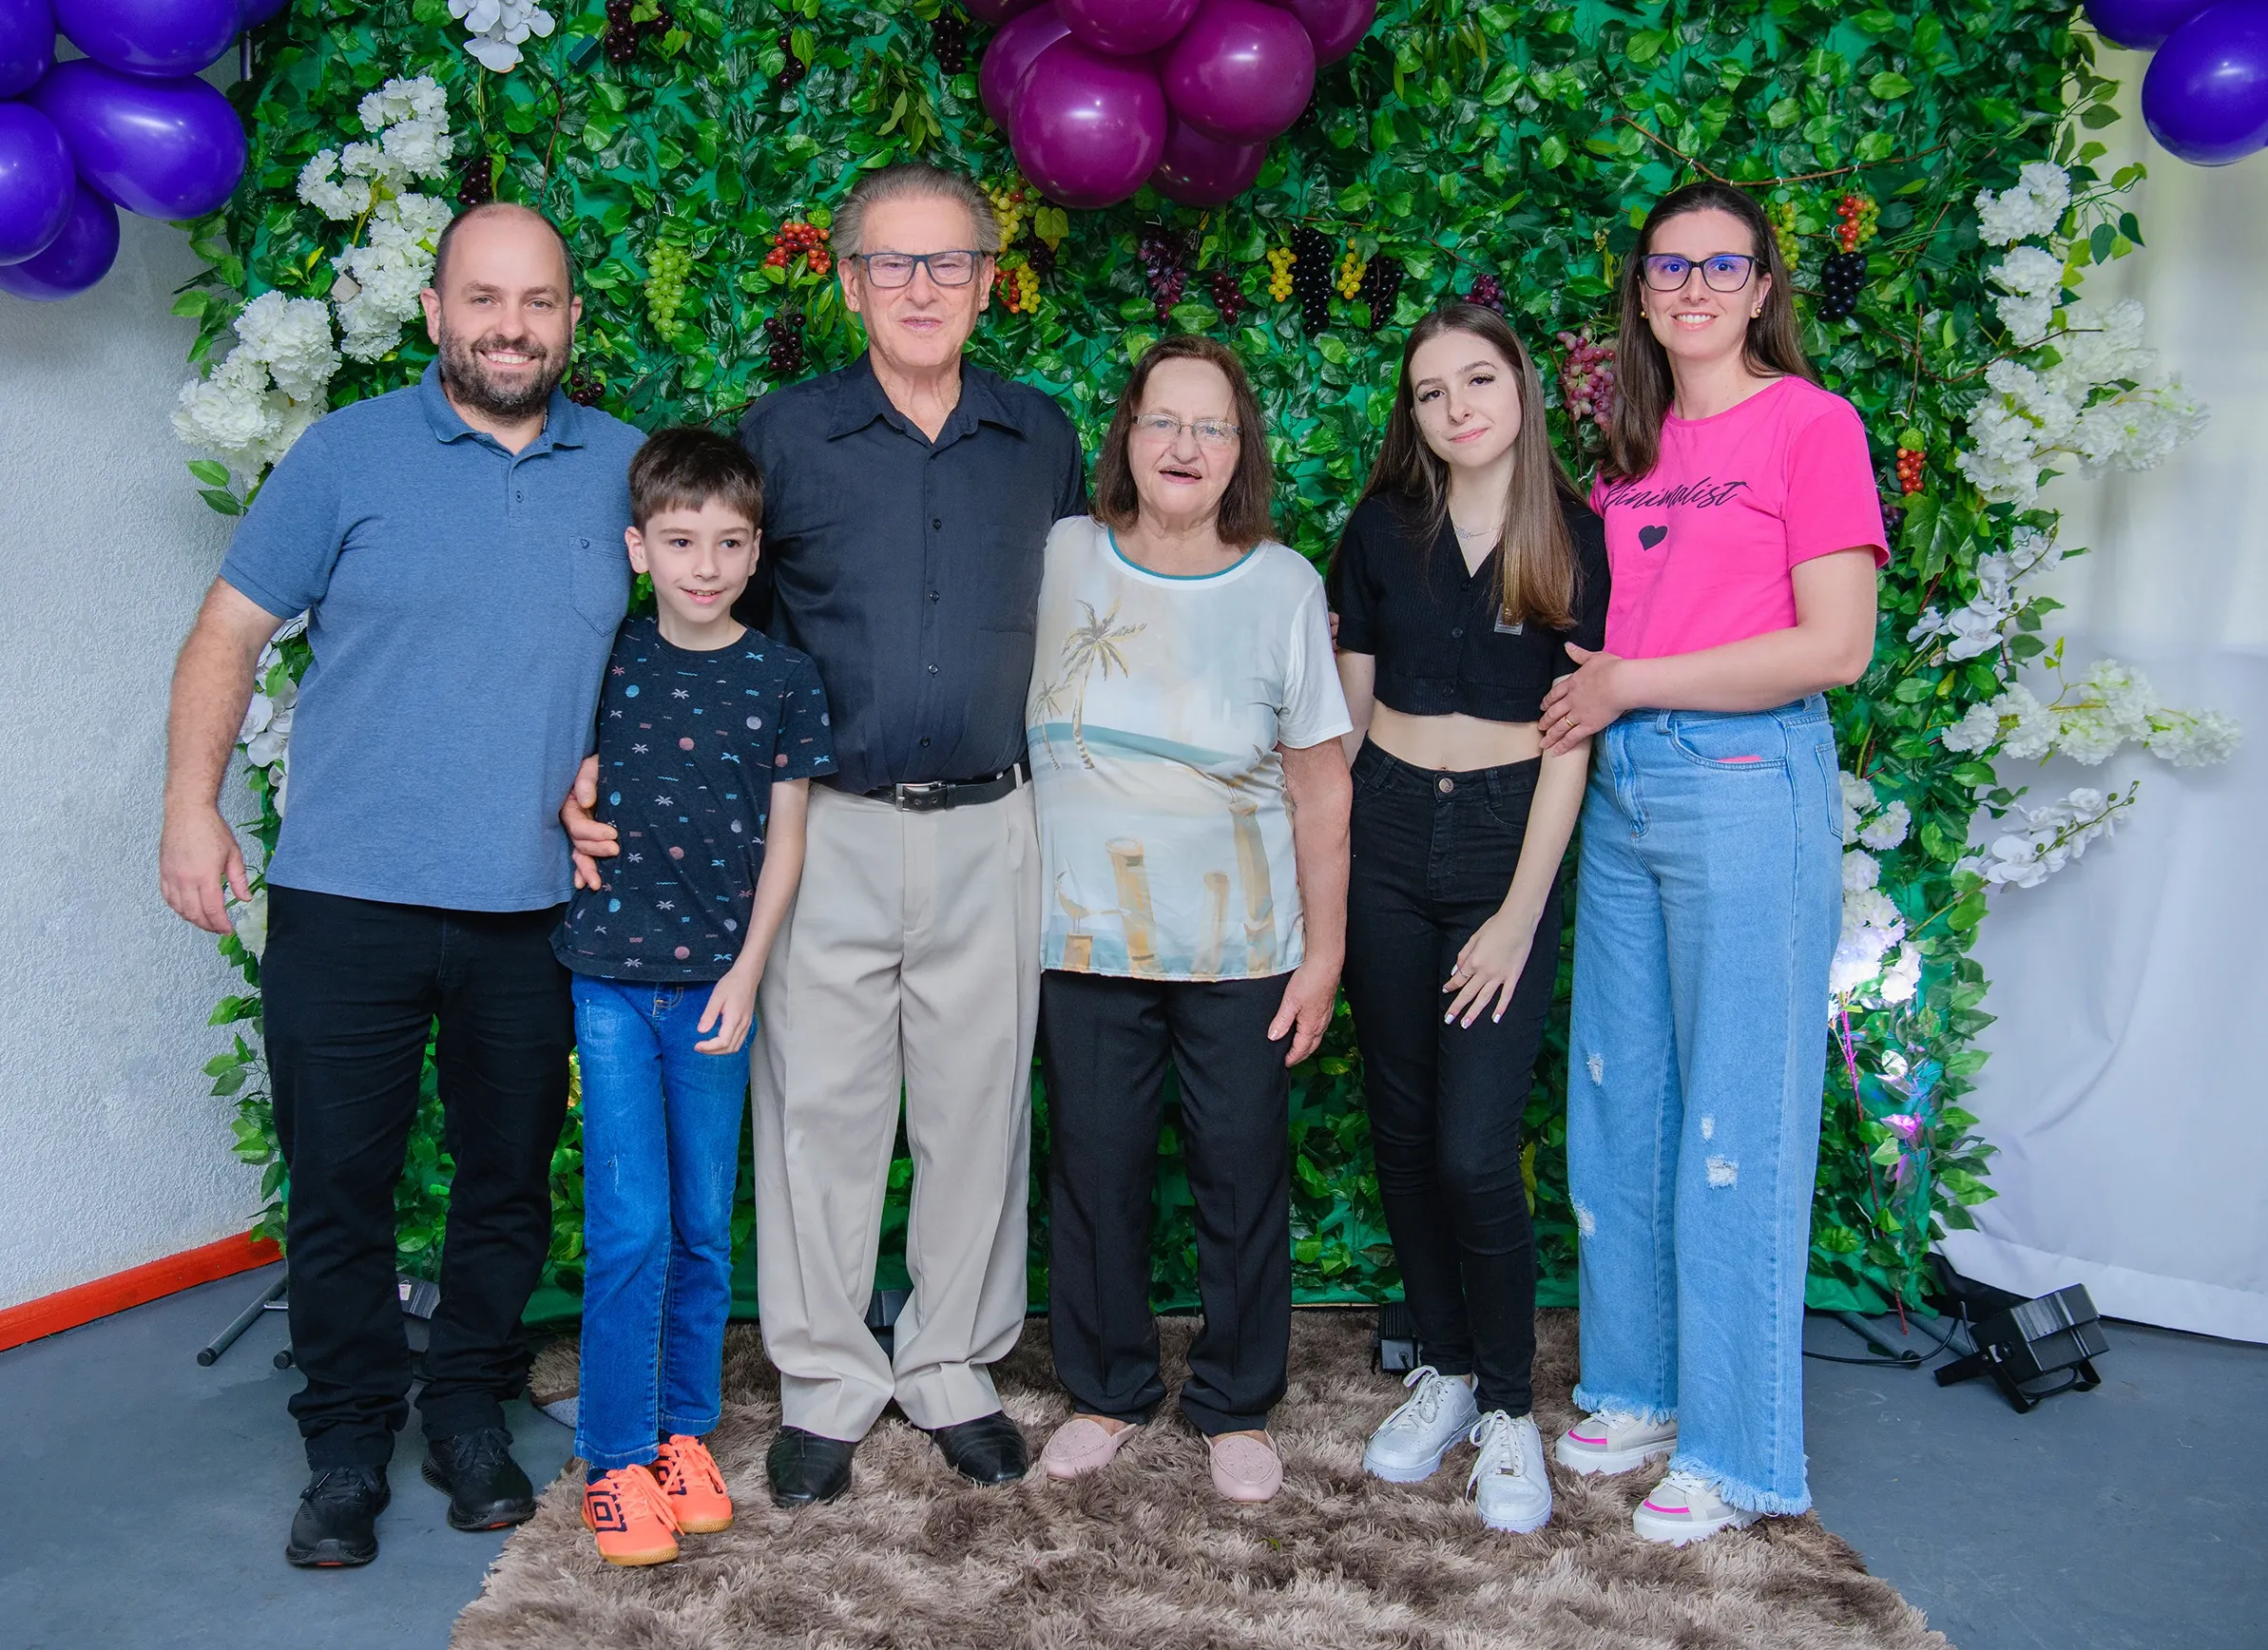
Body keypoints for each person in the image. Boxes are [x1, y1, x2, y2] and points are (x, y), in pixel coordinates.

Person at [567, 163, 1083, 1505]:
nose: (922, 288)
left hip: (990, 821)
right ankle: (826, 1378)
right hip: (826, 831)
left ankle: (954, 1364)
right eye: (892, 264)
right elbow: (706, 619)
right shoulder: (782, 436)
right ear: (848, 279)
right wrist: (594, 761)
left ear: (986, 275)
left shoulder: (1042, 435)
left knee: (976, 1113)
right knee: (821, 1117)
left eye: (949, 262)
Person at [158, 202, 646, 1568]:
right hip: (345, 902)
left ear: (568, 320)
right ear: (433, 313)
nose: (509, 325)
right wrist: (190, 807)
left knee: (503, 1182)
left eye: (537, 301)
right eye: (483, 299)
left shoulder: (623, 470)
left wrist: (612, 754)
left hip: (534, 908)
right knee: (340, 1187)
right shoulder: (345, 454)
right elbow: (228, 631)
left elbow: (682, 652)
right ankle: (345, 1444)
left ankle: (470, 1414)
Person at [1538, 182, 1885, 1544]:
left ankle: (1742, 1452)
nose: (1690, 286)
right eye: (1666, 266)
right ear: (1639, 290)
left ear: (1758, 287)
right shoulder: (1627, 448)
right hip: (1627, 787)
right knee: (1620, 1101)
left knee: (1737, 1118)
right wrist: (1612, 702)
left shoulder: (1811, 425)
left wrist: (1631, 680)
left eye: (1718, 265)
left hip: (1745, 784)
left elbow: (1832, 648)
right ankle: (1637, 1387)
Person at [1028, 335, 1351, 1505]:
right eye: (1164, 420)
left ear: (1239, 451)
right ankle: (1107, 1386)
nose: (1184, 446)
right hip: (1081, 941)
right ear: (1126, 433)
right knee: (1096, 1169)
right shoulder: (1061, 554)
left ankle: (1232, 1399)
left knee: (1237, 1170)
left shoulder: (1284, 585)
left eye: (1210, 427)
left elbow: (1322, 784)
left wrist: (1325, 954)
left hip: (1242, 952)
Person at [1329, 303, 1608, 1534]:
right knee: (1399, 1127)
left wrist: (1516, 913)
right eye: (1431, 392)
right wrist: (1331, 880)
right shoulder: (1379, 535)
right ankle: (1441, 1370)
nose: (1455, 408)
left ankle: (1507, 1408)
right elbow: (1338, 734)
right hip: (1385, 833)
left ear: (1519, 386)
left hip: (1505, 843)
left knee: (1469, 1148)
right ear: (1415, 413)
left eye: (1476, 379)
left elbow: (1571, 750)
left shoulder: (1577, 540)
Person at [556, 429, 834, 1564]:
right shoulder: (606, 659)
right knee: (629, 1223)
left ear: (755, 550)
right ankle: (616, 1457)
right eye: (680, 542)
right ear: (639, 548)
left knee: (703, 1225)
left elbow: (787, 840)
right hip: (613, 983)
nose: (704, 564)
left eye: (727, 543)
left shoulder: (781, 677)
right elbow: (556, 773)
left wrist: (747, 969)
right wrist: (569, 801)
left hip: (717, 990)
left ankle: (683, 1435)